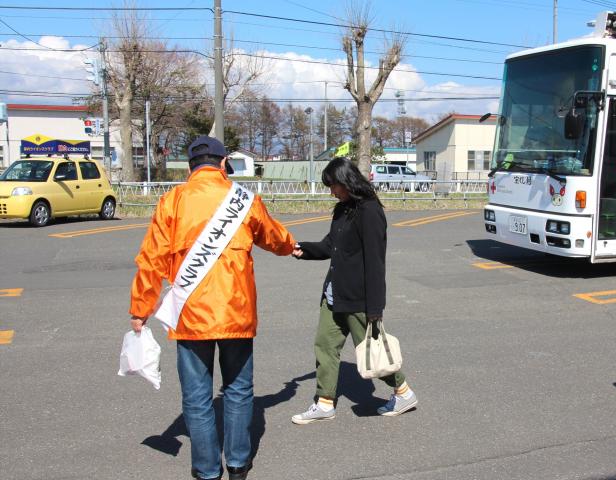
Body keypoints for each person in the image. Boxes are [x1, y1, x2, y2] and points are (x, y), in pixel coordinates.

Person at [128, 136, 296, 480]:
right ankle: (237, 463)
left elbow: (151, 259)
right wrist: (292, 246)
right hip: (236, 312)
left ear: (190, 166)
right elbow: (274, 237)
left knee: (197, 396)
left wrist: (140, 309)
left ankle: (206, 470)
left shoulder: (172, 200)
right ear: (223, 164)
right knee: (237, 390)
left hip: (191, 315)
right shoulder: (243, 199)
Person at [290, 157, 418, 425]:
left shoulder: (370, 211)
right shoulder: (341, 210)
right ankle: (324, 402)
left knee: (372, 352)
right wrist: (302, 249)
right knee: (324, 346)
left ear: (346, 181)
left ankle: (403, 391)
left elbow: (375, 261)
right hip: (333, 294)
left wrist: (375, 307)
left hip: (359, 298)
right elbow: (329, 246)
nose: (331, 191)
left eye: (333, 185)